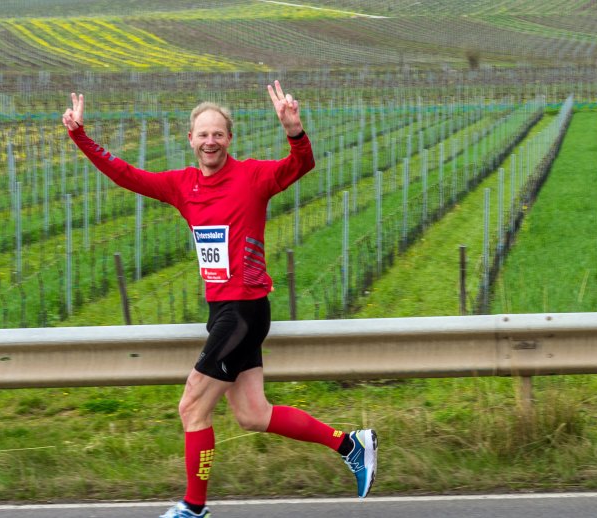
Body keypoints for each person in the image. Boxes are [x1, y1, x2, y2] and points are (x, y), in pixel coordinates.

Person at [62, 82, 377, 518]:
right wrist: (80, 136)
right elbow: (126, 175)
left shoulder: (253, 177)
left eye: (218, 134)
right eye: (203, 134)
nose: (211, 141)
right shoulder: (181, 185)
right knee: (252, 413)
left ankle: (193, 507)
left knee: (192, 404)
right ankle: (350, 444)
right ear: (190, 140)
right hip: (222, 313)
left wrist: (294, 131)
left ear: (230, 139)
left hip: (245, 310)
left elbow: (301, 164)